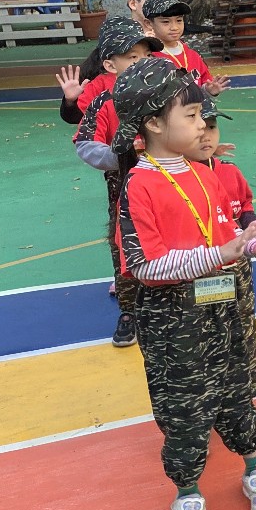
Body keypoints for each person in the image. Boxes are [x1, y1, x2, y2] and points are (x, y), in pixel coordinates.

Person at [111, 58, 256, 510]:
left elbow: (225, 235)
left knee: (236, 385)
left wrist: (255, 244)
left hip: (224, 304)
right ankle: (187, 491)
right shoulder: (139, 185)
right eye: (190, 116)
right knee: (183, 403)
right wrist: (221, 254)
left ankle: (253, 464)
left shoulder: (206, 174)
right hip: (175, 319)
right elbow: (146, 266)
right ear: (153, 124)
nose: (201, 126)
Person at [72, 19, 164, 346]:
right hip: (125, 192)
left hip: (170, 186)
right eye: (132, 57)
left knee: (172, 241)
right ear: (111, 65)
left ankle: (172, 303)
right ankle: (129, 311)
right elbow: (85, 143)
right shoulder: (104, 101)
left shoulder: (166, 92)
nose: (141, 63)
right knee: (126, 248)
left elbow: (194, 124)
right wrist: (121, 155)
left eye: (145, 56)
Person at [187, 93, 256, 434]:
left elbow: (244, 207)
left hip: (235, 272)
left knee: (242, 338)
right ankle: (204, 412)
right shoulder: (173, 178)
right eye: (198, 127)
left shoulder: (229, 172)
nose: (206, 135)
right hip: (198, 275)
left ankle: (243, 405)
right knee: (203, 342)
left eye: (212, 127)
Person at [143, 0, 229, 95]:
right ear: (149, 24)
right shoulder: (148, 57)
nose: (174, 27)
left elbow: (202, 83)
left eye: (179, 20)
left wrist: (209, 89)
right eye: (166, 22)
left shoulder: (193, 56)